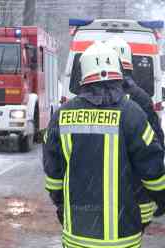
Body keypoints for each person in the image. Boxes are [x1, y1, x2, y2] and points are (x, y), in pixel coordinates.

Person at [43, 41, 165, 248]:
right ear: (118, 73)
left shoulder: (62, 115)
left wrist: (62, 206)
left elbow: (53, 175)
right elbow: (153, 171)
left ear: (83, 76)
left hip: (76, 234)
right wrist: (160, 202)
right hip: (123, 235)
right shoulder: (132, 113)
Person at [106, 36, 164, 230]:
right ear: (130, 65)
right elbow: (155, 145)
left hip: (94, 194)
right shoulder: (141, 97)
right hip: (134, 191)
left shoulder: (89, 99)